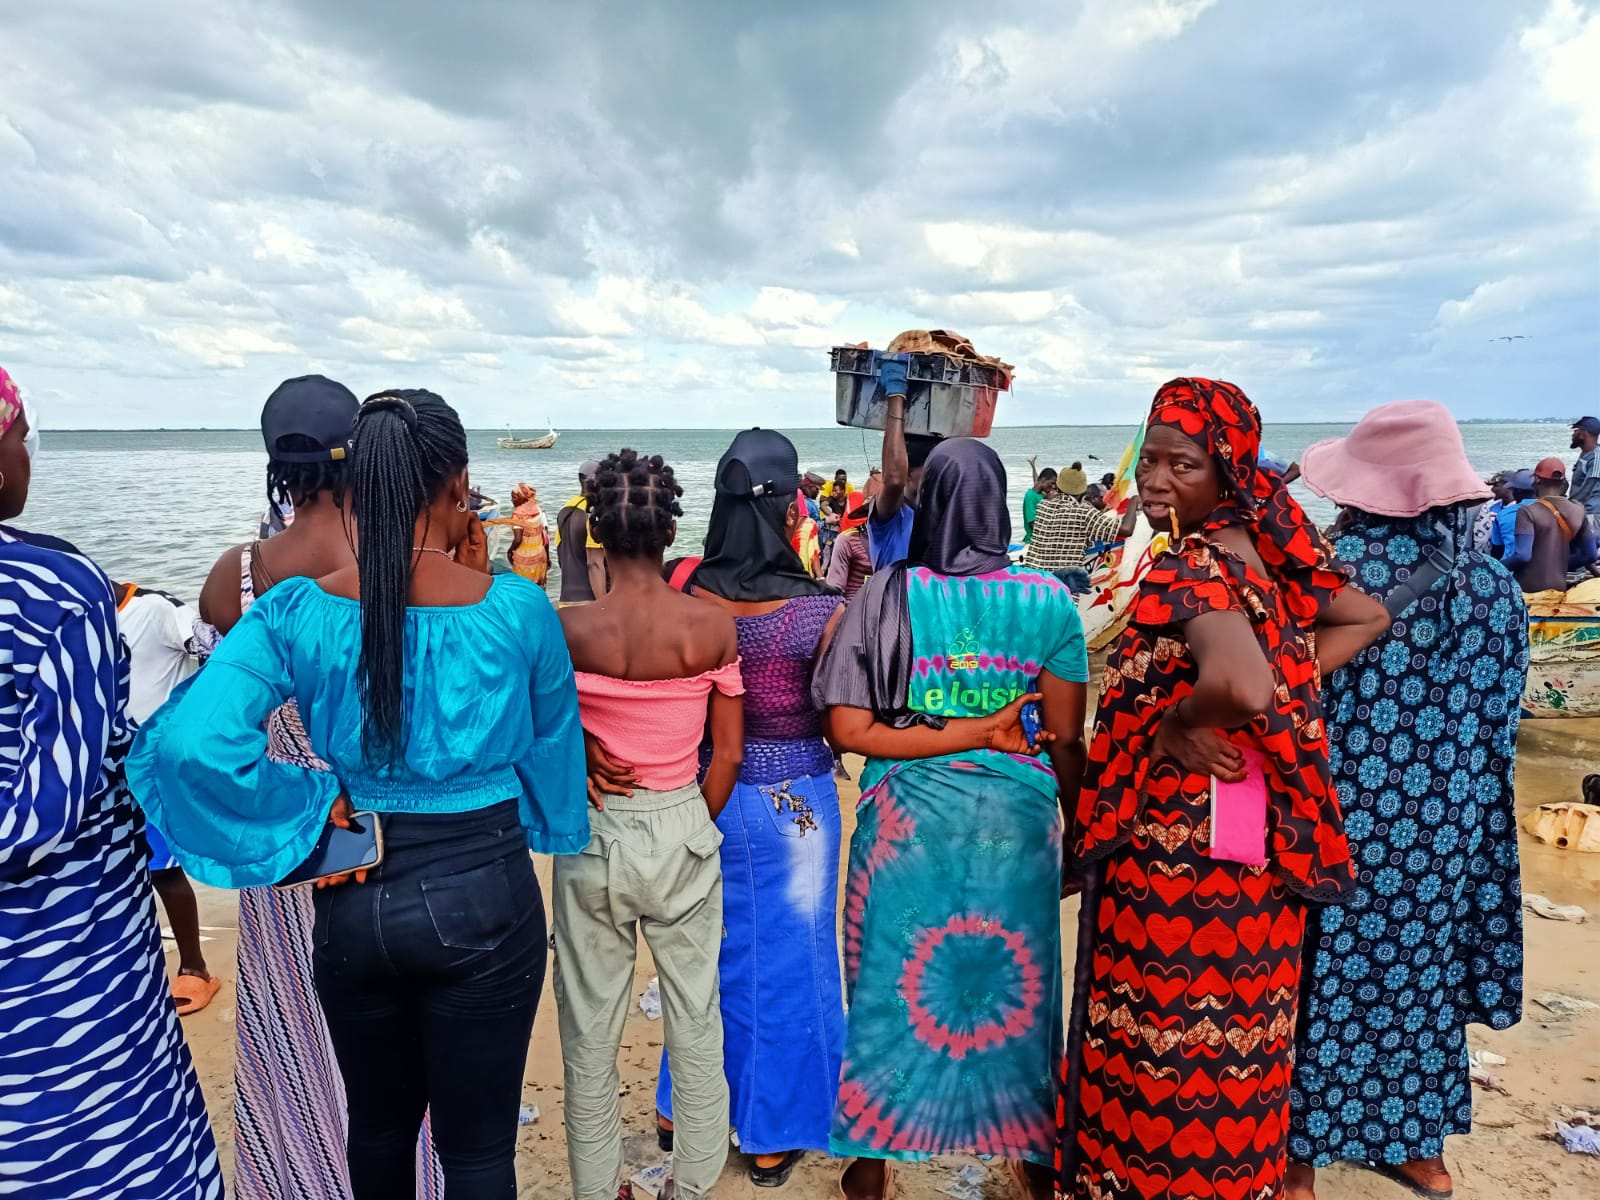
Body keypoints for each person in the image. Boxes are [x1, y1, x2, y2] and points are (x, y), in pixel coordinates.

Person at [129, 388, 588, 1199]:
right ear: (458, 487)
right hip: (486, 891)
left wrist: (307, 818)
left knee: (376, 1130)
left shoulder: (296, 611)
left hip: (356, 896)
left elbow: (192, 746)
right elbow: (553, 753)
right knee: (477, 1152)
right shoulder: (518, 610)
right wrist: (549, 827)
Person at [1059, 378, 1390, 1200]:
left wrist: (1177, 723)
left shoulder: (1194, 567)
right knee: (1238, 1042)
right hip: (1259, 845)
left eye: (1185, 464)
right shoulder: (1264, 555)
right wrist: (1287, 681)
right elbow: (1363, 618)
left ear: (1228, 471)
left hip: (1179, 854)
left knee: (1160, 1044)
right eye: (1153, 459)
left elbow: (1239, 686)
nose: (1158, 480)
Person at [815, 439, 1090, 1200]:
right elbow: (1066, 736)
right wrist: (1079, 830)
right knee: (1020, 993)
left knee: (887, 990)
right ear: (1000, 506)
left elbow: (846, 728)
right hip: (1020, 818)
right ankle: (1033, 1164)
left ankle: (870, 1170)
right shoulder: (1047, 600)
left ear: (931, 503)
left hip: (906, 819)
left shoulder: (886, 595)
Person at [194, 376, 442, 1199]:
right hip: (388, 840)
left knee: (294, 1032)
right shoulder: (396, 567)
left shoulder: (235, 576)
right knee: (403, 1040)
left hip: (284, 850)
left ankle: (301, 1177)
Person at [1289, 399, 1528, 1200]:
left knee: (1317, 975)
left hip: (1340, 816)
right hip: (1449, 830)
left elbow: (1292, 698)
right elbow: (1501, 728)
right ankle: (1418, 1149)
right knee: (1419, 982)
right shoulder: (1497, 589)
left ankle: (1296, 1159)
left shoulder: (1334, 574)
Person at [0, 364, 224, 1198]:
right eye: (24, 435)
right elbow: (48, 811)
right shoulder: (53, 594)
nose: (28, 453)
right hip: (61, 961)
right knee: (117, 1156)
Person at [616, 429, 844, 1188]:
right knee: (789, 963)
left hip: (698, 792)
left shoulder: (685, 588)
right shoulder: (820, 609)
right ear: (790, 508)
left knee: (701, 956)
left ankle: (682, 1104)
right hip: (794, 809)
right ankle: (772, 1134)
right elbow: (839, 714)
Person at [555, 451, 743, 1200]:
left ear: (594, 532)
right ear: (672, 530)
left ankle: (600, 1188)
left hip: (594, 829)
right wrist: (692, 821)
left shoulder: (569, 629)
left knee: (589, 1029)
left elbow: (539, 728)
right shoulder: (709, 625)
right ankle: (689, 1187)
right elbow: (724, 752)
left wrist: (583, 752)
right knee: (697, 1020)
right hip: (683, 820)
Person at [116, 580, 220, 1015]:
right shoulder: (79, 620)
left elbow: (215, 644)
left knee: (163, 871)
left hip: (154, 763)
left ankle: (195, 968)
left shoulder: (154, 609)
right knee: (119, 870)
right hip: (104, 761)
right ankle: (134, 962)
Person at [868, 359, 941, 570]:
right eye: (930, 471)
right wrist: (896, 394)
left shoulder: (938, 515)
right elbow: (893, 479)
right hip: (894, 602)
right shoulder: (891, 516)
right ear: (909, 473)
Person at [1505, 457, 1597, 592]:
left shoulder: (1527, 512)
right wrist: (1559, 563)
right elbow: (1590, 555)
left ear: (1537, 480)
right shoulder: (1579, 510)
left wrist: (1495, 566)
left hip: (1528, 589)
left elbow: (1522, 556)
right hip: (1559, 587)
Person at [1026, 467, 1128, 581]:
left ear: (1057, 485)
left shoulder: (1043, 506)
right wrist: (1132, 501)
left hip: (1036, 581)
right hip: (1063, 586)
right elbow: (1125, 530)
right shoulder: (1084, 512)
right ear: (1082, 490)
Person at [558, 460, 607, 602]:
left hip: (566, 598)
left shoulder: (565, 509)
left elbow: (562, 557)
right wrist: (603, 605)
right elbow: (595, 564)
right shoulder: (594, 512)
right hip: (589, 600)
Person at [497, 481, 551, 586]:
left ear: (521, 497)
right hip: (540, 555)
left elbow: (518, 539)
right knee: (539, 587)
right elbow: (545, 536)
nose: (511, 500)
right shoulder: (538, 509)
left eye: (514, 497)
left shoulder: (518, 514)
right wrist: (547, 558)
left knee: (524, 588)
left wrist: (510, 550)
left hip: (525, 559)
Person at [825, 491, 874, 599]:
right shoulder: (847, 539)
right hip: (853, 609)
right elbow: (834, 590)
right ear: (868, 511)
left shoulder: (899, 540)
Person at [1487, 468, 1535, 560]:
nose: (1492, 489)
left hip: (1507, 568)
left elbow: (1497, 550)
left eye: (1496, 485)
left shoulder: (1503, 515)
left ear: (1515, 490)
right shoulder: (1550, 510)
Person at [1569, 416, 1600, 530]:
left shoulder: (1597, 457)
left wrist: (1567, 506)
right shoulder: (1586, 455)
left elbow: (1589, 488)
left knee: (1588, 547)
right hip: (1581, 513)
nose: (1573, 435)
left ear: (1584, 433)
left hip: (1592, 515)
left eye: (1576, 431)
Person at [1024, 466, 1058, 542]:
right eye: (1052, 483)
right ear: (1043, 480)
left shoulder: (1043, 495)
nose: (1053, 486)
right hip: (1033, 540)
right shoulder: (1030, 496)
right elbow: (1032, 523)